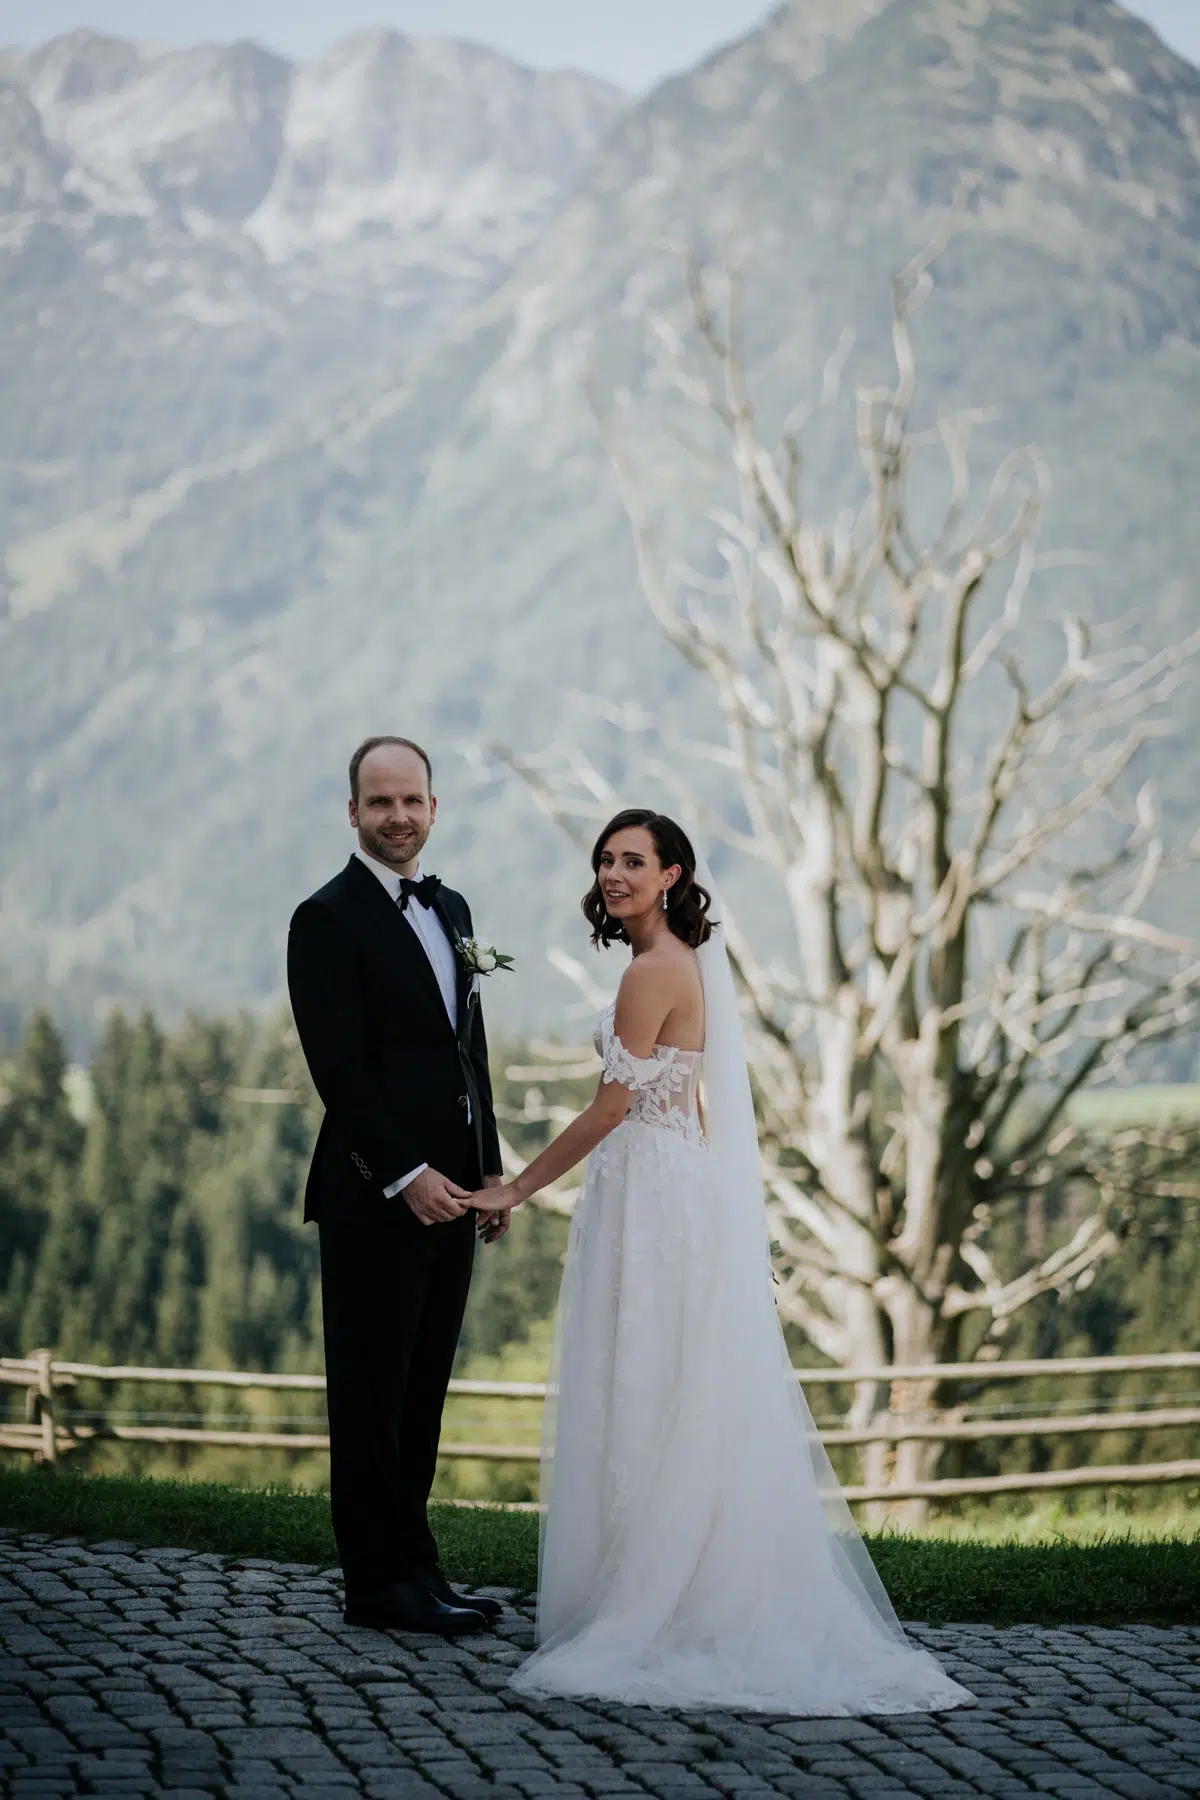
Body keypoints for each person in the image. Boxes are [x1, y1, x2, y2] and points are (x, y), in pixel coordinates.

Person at [471, 808, 973, 1714]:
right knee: (675, 1384)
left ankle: (648, 1596)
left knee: (641, 1379)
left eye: (634, 860)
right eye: (606, 859)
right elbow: (697, 1106)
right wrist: (726, 1223)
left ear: (672, 875)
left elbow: (611, 1108)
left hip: (645, 1198)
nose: (614, 873)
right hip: (678, 1193)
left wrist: (517, 1187)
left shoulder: (652, 971)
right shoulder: (686, 963)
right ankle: (670, 1575)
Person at [287, 735, 508, 1636]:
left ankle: (417, 1567)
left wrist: (487, 1164)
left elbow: (468, 1050)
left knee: (421, 1393)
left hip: (458, 1193)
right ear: (353, 813)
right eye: (380, 803)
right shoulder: (325, 918)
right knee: (371, 1395)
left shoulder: (450, 904)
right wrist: (406, 1175)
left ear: (433, 807)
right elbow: (338, 1071)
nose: (398, 817)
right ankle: (376, 1583)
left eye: (412, 800)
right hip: (375, 1196)